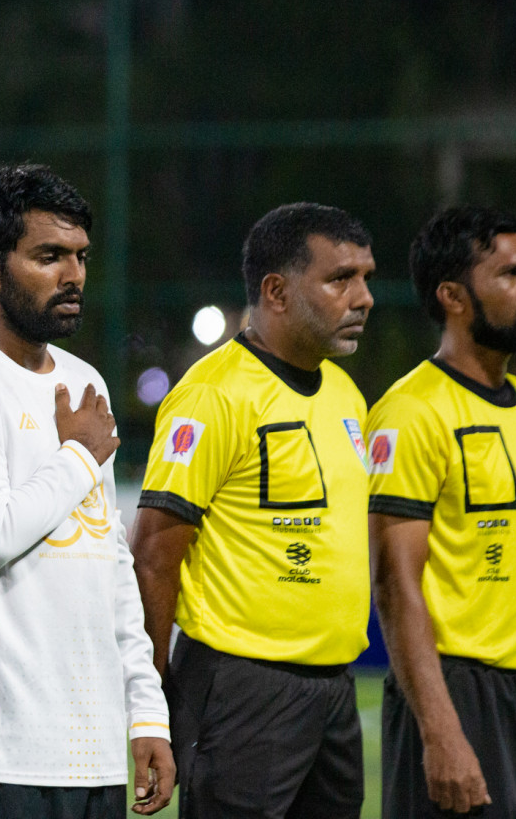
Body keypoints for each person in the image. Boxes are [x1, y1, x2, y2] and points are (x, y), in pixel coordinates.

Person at [0, 163, 172, 819]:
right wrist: (80, 455)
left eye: (80, 256)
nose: (73, 274)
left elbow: (111, 566)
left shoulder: (87, 383)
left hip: (90, 753)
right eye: (48, 256)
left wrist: (146, 713)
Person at [131, 202, 375, 819]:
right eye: (340, 278)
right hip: (243, 689)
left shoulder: (346, 393)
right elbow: (155, 554)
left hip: (335, 687)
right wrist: (150, 701)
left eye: (366, 277)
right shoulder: (214, 394)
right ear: (276, 291)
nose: (364, 296)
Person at [369, 207, 516, 819]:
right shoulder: (411, 412)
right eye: (513, 272)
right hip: (462, 692)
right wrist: (441, 732)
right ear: (453, 296)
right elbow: (394, 585)